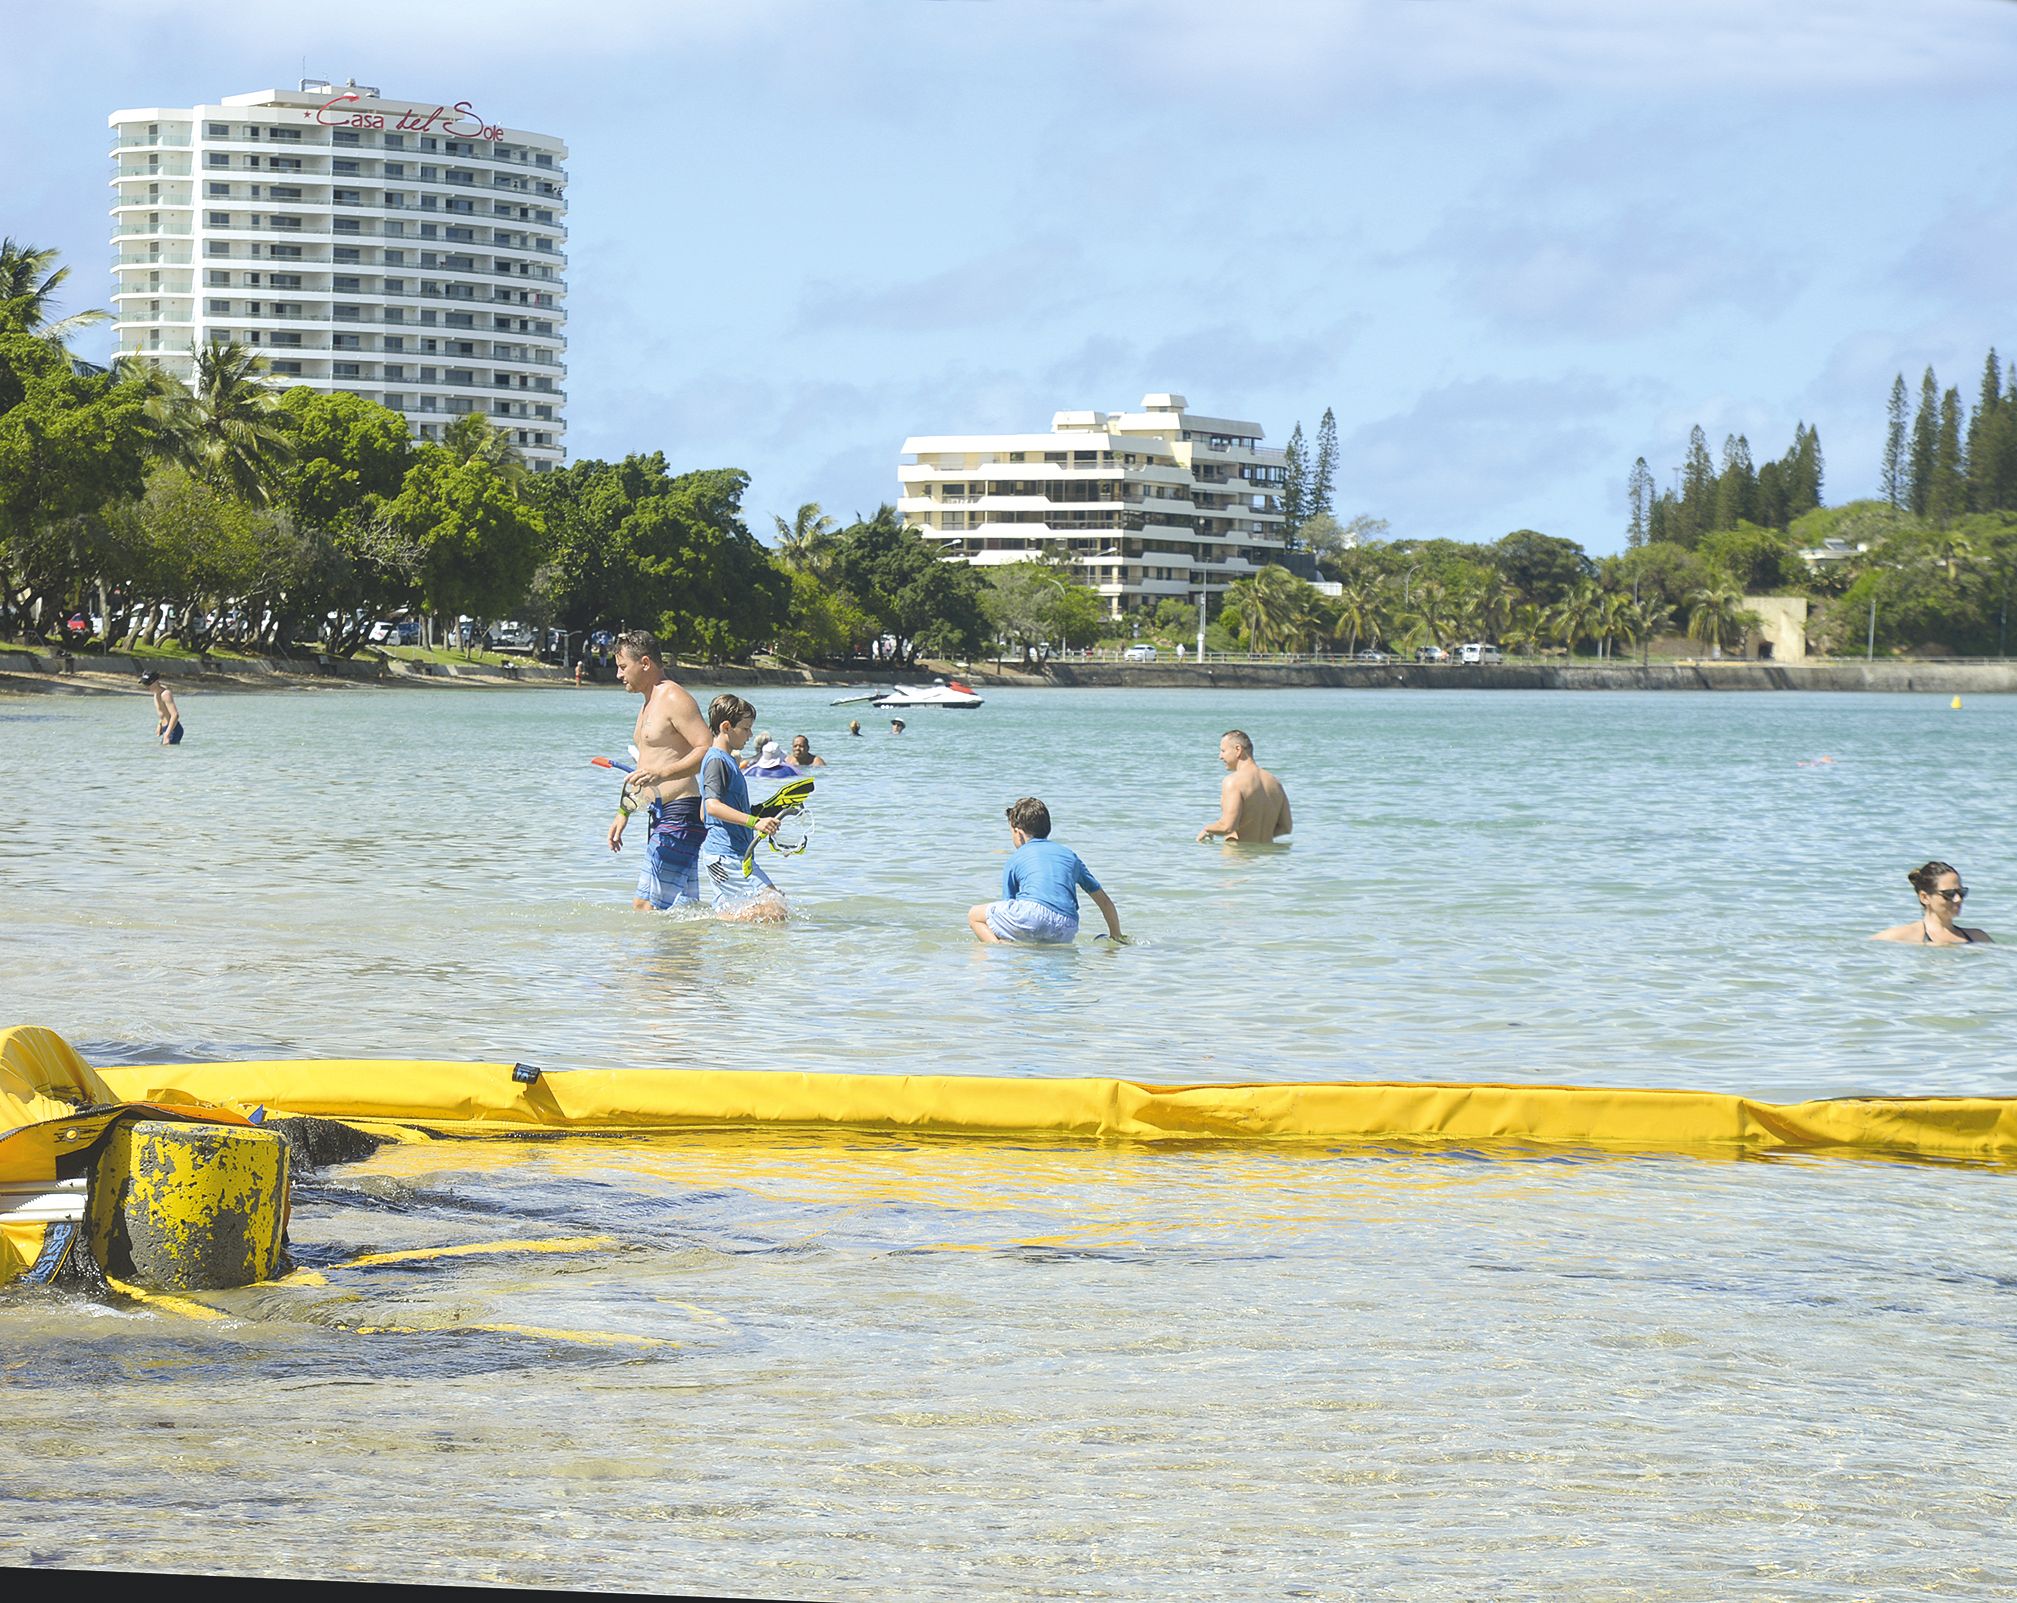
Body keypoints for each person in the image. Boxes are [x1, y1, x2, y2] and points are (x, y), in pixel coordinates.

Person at [606, 629, 712, 911]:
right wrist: (624, 812)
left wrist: (664, 774)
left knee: (645, 906)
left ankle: (639, 957)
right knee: (682, 909)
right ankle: (681, 956)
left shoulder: (674, 698)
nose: (619, 675)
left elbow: (708, 751)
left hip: (682, 814)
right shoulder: (648, 704)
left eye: (622, 667)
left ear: (645, 663)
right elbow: (647, 768)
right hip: (660, 813)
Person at [968, 796, 1123, 945]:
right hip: (1066, 926)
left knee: (974, 915)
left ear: (1019, 834)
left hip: (1031, 916)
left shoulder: (1016, 858)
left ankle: (1001, 947)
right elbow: (1105, 902)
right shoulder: (1070, 856)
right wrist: (1116, 936)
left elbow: (1008, 903)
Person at [697, 693, 788, 922]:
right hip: (726, 855)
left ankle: (730, 948)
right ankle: (711, 924)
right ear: (726, 727)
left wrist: (765, 812)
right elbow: (712, 808)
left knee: (764, 908)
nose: (750, 735)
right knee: (775, 908)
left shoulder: (726, 760)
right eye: (746, 729)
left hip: (732, 853)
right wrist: (754, 822)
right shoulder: (717, 760)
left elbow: (703, 812)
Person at [1196, 729, 1291, 843]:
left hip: (1239, 857)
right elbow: (1286, 827)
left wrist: (1207, 829)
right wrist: (1258, 835)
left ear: (1238, 749)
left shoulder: (1233, 781)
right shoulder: (1275, 782)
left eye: (1223, 750)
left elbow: (1227, 826)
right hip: (1266, 857)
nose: (1220, 756)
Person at [1870, 860, 1993, 945]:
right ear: (1924, 897)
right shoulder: (1899, 936)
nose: (1958, 899)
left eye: (1961, 892)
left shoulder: (1979, 938)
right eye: (1949, 894)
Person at [140, 671, 183, 745]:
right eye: (145, 684)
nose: (146, 687)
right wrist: (160, 724)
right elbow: (163, 712)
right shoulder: (156, 694)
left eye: (148, 684)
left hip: (173, 729)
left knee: (169, 754)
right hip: (166, 728)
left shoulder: (165, 694)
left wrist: (167, 734)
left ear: (156, 682)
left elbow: (175, 715)